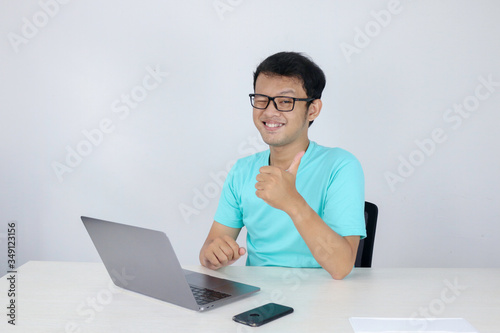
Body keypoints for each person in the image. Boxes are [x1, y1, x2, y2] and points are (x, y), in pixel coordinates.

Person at [199, 52, 366, 279]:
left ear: (313, 109)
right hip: (257, 301)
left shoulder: (341, 166)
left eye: (285, 101)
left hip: (324, 299)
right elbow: (209, 249)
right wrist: (213, 255)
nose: (269, 111)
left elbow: (341, 267)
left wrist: (292, 201)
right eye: (261, 100)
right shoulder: (242, 170)